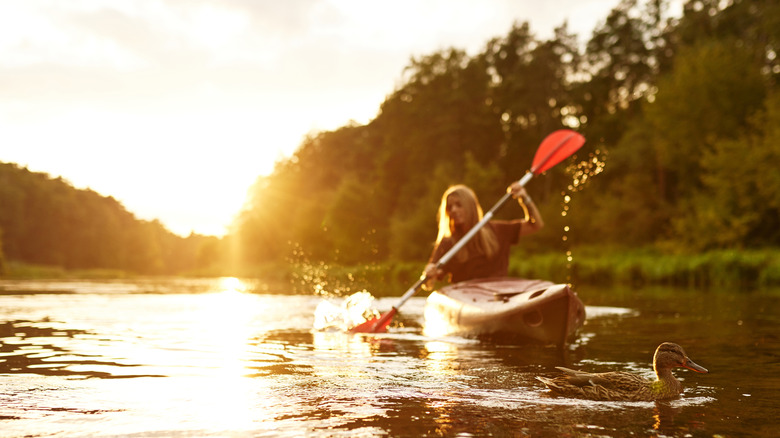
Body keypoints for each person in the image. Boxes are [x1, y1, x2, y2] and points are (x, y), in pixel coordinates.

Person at [423, 182, 544, 286]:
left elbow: (536, 225)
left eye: (458, 205)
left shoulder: (498, 230)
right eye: (450, 207)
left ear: (470, 206)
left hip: (498, 294)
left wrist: (525, 199)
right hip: (467, 299)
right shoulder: (448, 242)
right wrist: (430, 274)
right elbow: (429, 282)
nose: (453, 210)